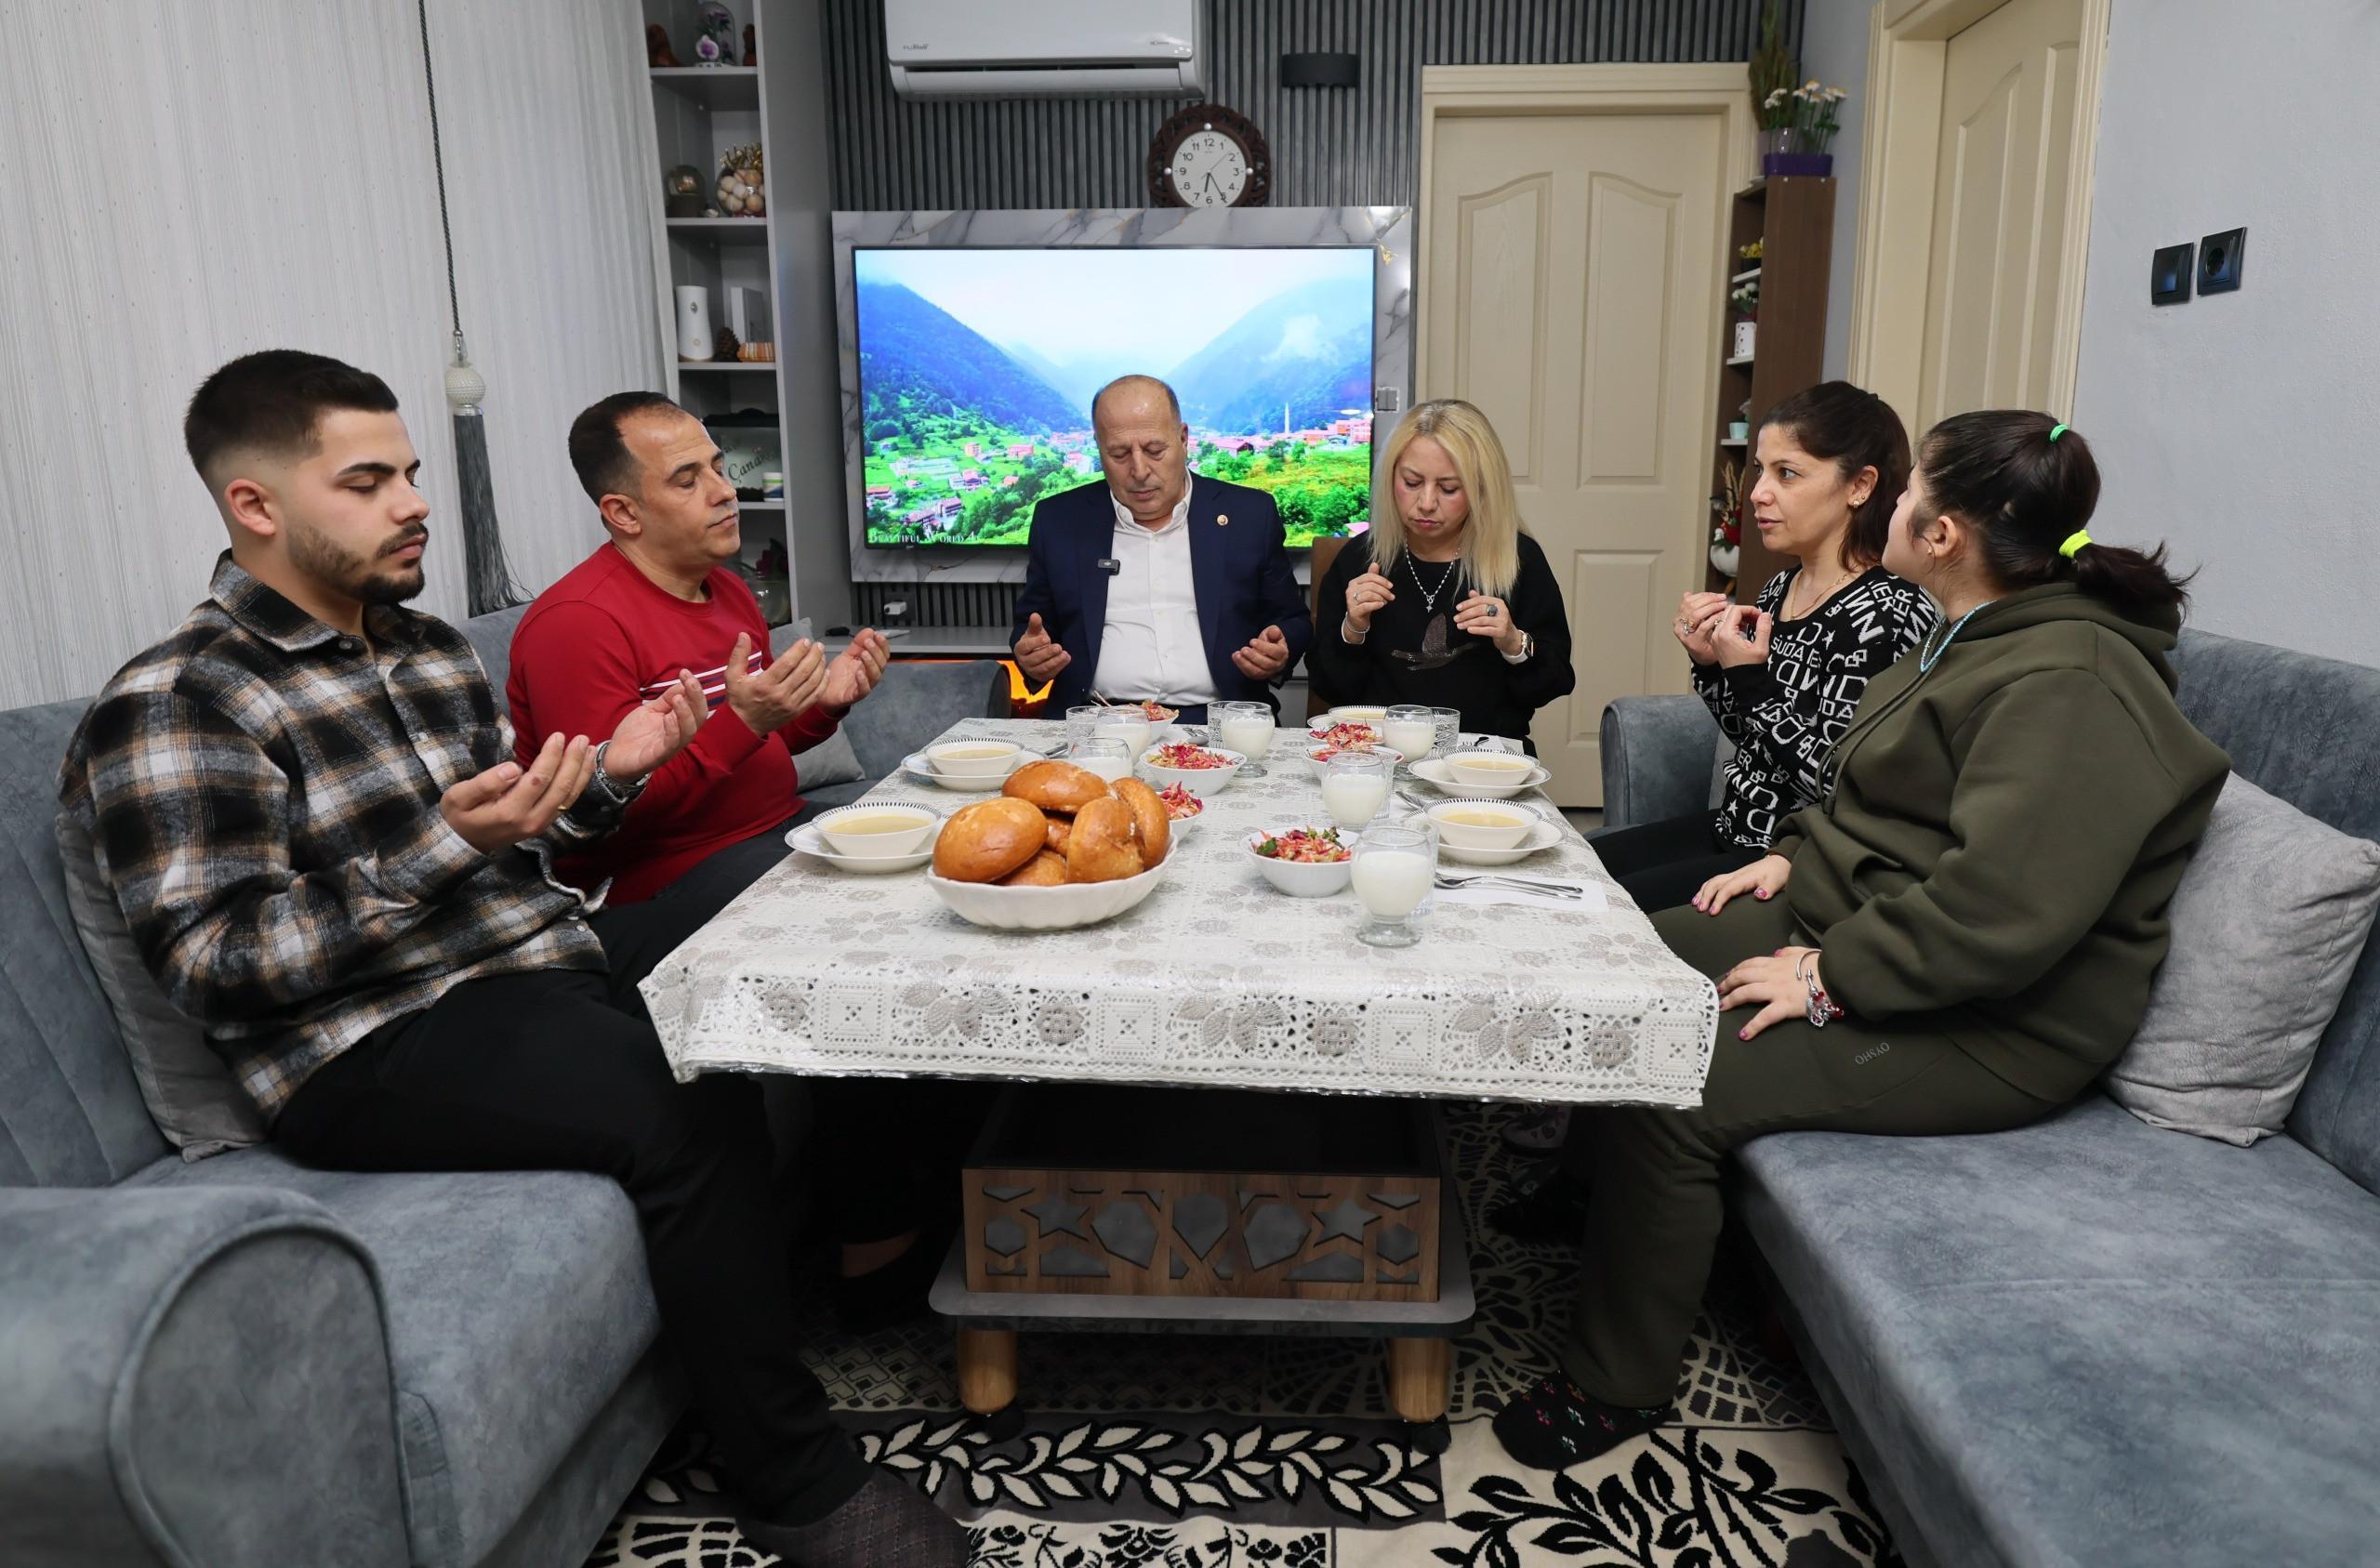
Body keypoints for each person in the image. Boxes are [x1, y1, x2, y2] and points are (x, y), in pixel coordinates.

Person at [59, 351, 967, 1566]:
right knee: (682, 1097)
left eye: (410, 473)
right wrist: (442, 847)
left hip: (534, 957)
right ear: (255, 505)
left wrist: (615, 770)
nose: (413, 503)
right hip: (368, 1037)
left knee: (764, 986)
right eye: (367, 482)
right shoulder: (178, 699)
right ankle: (794, 1477)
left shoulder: (428, 650)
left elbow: (538, 833)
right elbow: (218, 963)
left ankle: (862, 1252)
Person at [1489, 411, 2228, 1475]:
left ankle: (1614, 1380)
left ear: (1944, 532)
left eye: (1911, 486)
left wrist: (1831, 977)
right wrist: (1793, 857)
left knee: (1678, 1074)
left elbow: (2001, 909)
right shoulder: (1972, 630)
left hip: (1992, 1018)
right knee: (1626, 966)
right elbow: (1881, 795)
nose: (1896, 502)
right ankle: (1599, 1198)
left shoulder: (2071, 682)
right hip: (1857, 917)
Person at [509, 390, 892, 912]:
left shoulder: (727, 588)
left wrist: (823, 704)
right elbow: (603, 814)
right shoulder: (576, 622)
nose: (725, 491)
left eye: (718, 468)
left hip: (773, 832)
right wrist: (744, 721)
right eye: (687, 481)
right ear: (624, 513)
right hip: (657, 879)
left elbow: (762, 741)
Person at [1594, 382, 1934, 914]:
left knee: (1603, 909)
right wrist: (1712, 666)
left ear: (1860, 485)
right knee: (1575, 870)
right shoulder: (1782, 588)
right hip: (1734, 826)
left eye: (1787, 473)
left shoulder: (1884, 615)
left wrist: (1752, 682)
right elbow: (1754, 738)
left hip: (1791, 860)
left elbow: (1836, 781)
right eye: (1759, 470)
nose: (1757, 493)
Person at [1010, 374, 1312, 722]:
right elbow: (1032, 628)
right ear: (1099, 448)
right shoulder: (1059, 520)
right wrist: (1030, 656)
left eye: (1155, 451)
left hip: (1219, 721)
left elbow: (1291, 619)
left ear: (1183, 438)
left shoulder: (1250, 514)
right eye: (1119, 454)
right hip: (1097, 721)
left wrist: (1279, 649)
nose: (1139, 471)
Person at [1308, 399, 1575, 749]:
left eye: (1449, 488)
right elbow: (1330, 689)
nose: (1426, 503)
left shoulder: (1518, 560)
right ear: (1390, 478)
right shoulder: (1359, 560)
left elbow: (1553, 685)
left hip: (1483, 756)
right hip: (1380, 753)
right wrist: (1353, 629)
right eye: (1411, 482)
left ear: (1482, 488)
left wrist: (1513, 643)